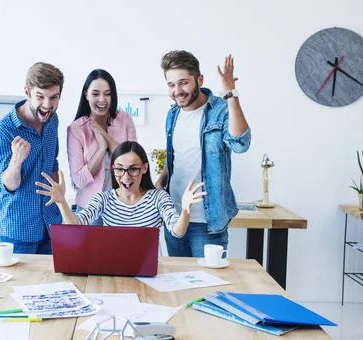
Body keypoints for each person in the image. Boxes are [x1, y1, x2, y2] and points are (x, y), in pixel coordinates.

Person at [155, 50, 251, 258]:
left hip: (208, 223)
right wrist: (160, 182)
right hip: (175, 219)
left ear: (199, 79)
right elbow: (175, 159)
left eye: (183, 83)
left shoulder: (220, 110)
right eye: (171, 85)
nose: (177, 91)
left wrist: (231, 94)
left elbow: (240, 143)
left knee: (207, 288)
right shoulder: (172, 114)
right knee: (177, 287)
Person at [36, 141, 205, 238]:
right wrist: (61, 202)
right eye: (119, 169)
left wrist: (185, 211)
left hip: (149, 271)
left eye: (133, 169)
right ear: (113, 168)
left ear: (144, 168)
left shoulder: (158, 198)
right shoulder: (103, 199)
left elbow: (178, 231)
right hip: (112, 268)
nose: (126, 176)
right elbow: (76, 223)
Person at [0, 62, 64, 254]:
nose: (47, 105)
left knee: (53, 282)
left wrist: (58, 192)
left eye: (53, 97)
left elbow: (52, 161)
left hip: (50, 224)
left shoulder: (52, 121)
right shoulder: (5, 130)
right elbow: (8, 185)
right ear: (27, 92)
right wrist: (16, 161)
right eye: (40, 96)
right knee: (18, 284)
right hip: (18, 227)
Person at [67, 69, 137, 225]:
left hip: (123, 207)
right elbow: (79, 180)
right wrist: (101, 149)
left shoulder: (125, 119)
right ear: (86, 95)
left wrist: (105, 137)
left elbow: (134, 164)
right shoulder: (76, 129)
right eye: (96, 94)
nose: (102, 99)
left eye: (107, 93)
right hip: (90, 210)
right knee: (90, 250)